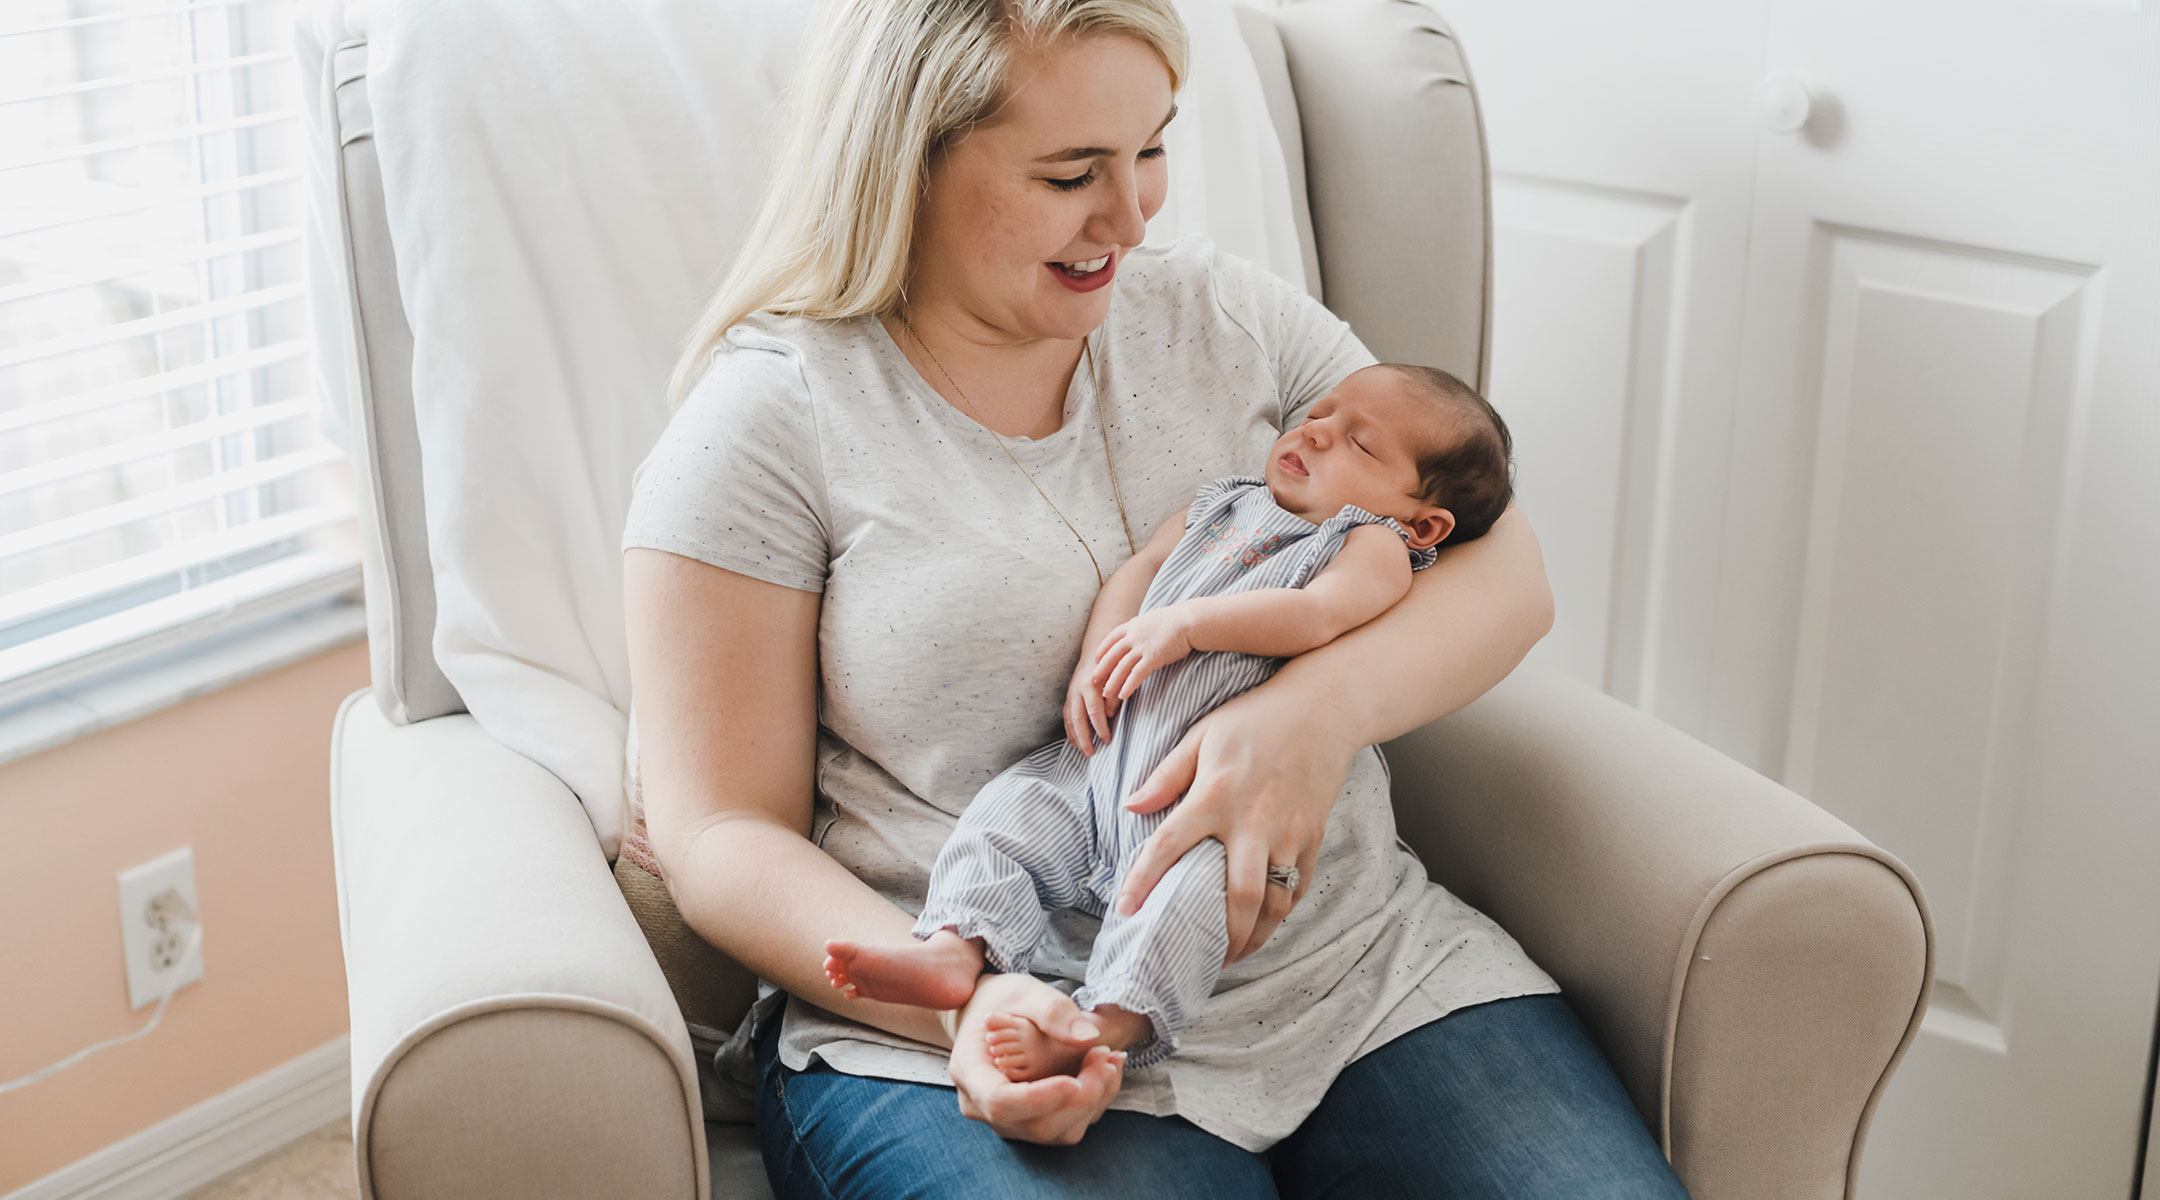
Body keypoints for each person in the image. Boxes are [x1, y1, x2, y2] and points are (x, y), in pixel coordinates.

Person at [618, 0, 1694, 1191]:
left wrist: (1306, 717)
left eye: (1151, 151)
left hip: (1355, 973)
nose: (1132, 217)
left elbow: (1504, 569)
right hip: (988, 997)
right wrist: (967, 1009)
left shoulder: (1230, 318)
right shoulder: (769, 424)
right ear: (907, 163)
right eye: (1073, 172)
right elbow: (718, 829)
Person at [820, 362, 1515, 1085]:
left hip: (1205, 802)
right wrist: (1100, 654)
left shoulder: (1371, 544)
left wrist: (1185, 626)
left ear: (1422, 519)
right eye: (1321, 412)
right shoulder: (1222, 503)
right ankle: (956, 946)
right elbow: (1143, 565)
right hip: (1096, 764)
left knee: (1190, 903)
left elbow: (1316, 615)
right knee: (1006, 818)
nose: (1315, 431)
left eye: (1359, 445)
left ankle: (1107, 1023)